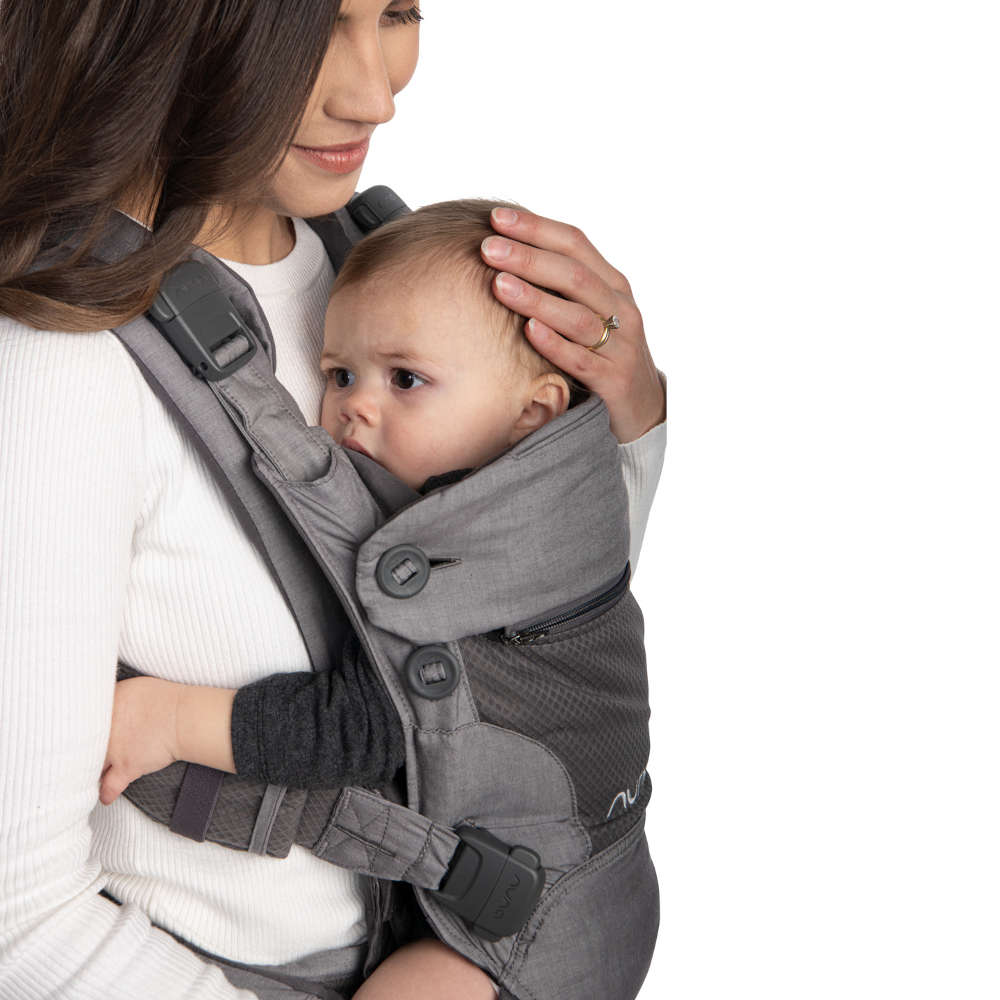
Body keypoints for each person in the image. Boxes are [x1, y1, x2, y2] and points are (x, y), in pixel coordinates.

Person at [0, 3, 666, 998]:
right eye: (312, 25)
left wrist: (627, 424)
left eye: (397, 11)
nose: (375, 93)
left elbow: (513, 667)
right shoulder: (64, 361)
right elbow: (19, 921)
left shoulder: (388, 267)